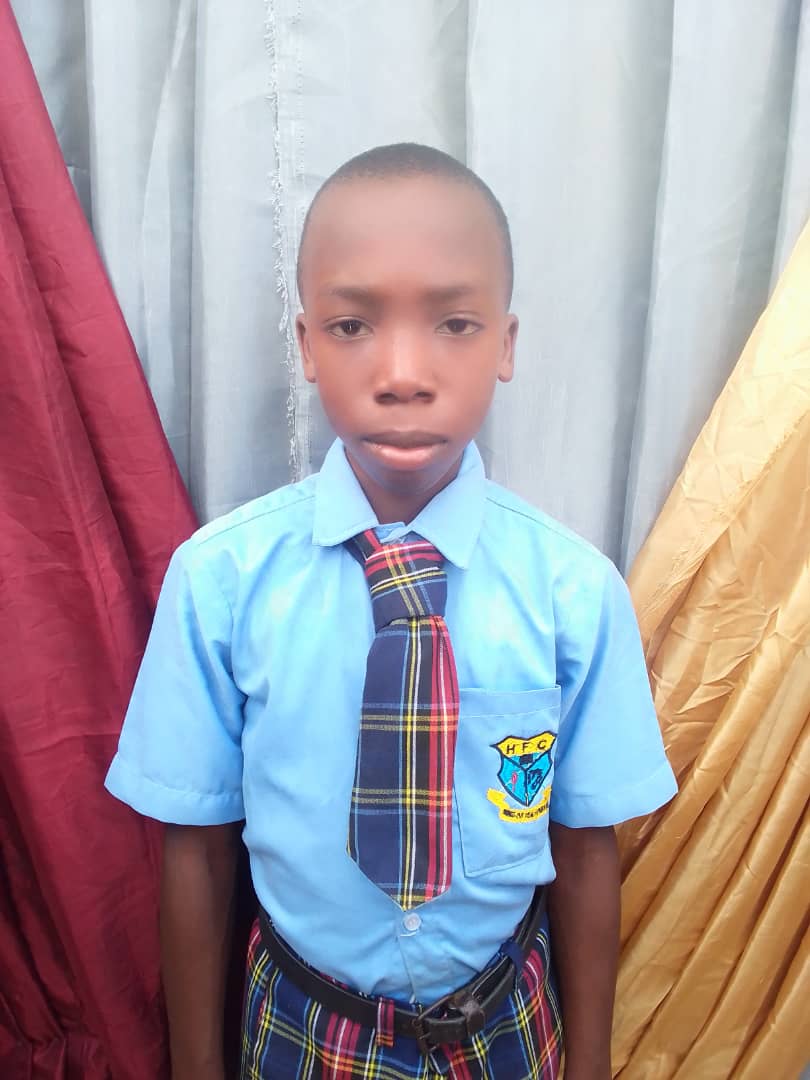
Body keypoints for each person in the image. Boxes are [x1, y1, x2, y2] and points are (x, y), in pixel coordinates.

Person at [105, 143, 677, 1080]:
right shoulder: (221, 580)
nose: (404, 372)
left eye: (454, 323)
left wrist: (591, 1066)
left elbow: (584, 844)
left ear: (506, 344)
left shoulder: (574, 591)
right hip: (301, 1020)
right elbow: (197, 848)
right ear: (305, 344)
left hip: (505, 1022)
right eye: (352, 325)